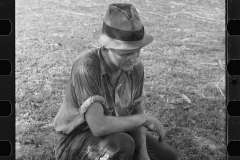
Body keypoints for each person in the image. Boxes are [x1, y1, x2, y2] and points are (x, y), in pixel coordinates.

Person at [53, 3, 179, 160]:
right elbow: (99, 126)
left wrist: (142, 153)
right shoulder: (86, 68)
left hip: (116, 131)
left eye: (137, 51)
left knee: (169, 157)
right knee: (121, 145)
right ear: (106, 48)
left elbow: (135, 110)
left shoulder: (135, 68)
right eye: (126, 53)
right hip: (74, 140)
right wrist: (144, 119)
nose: (134, 59)